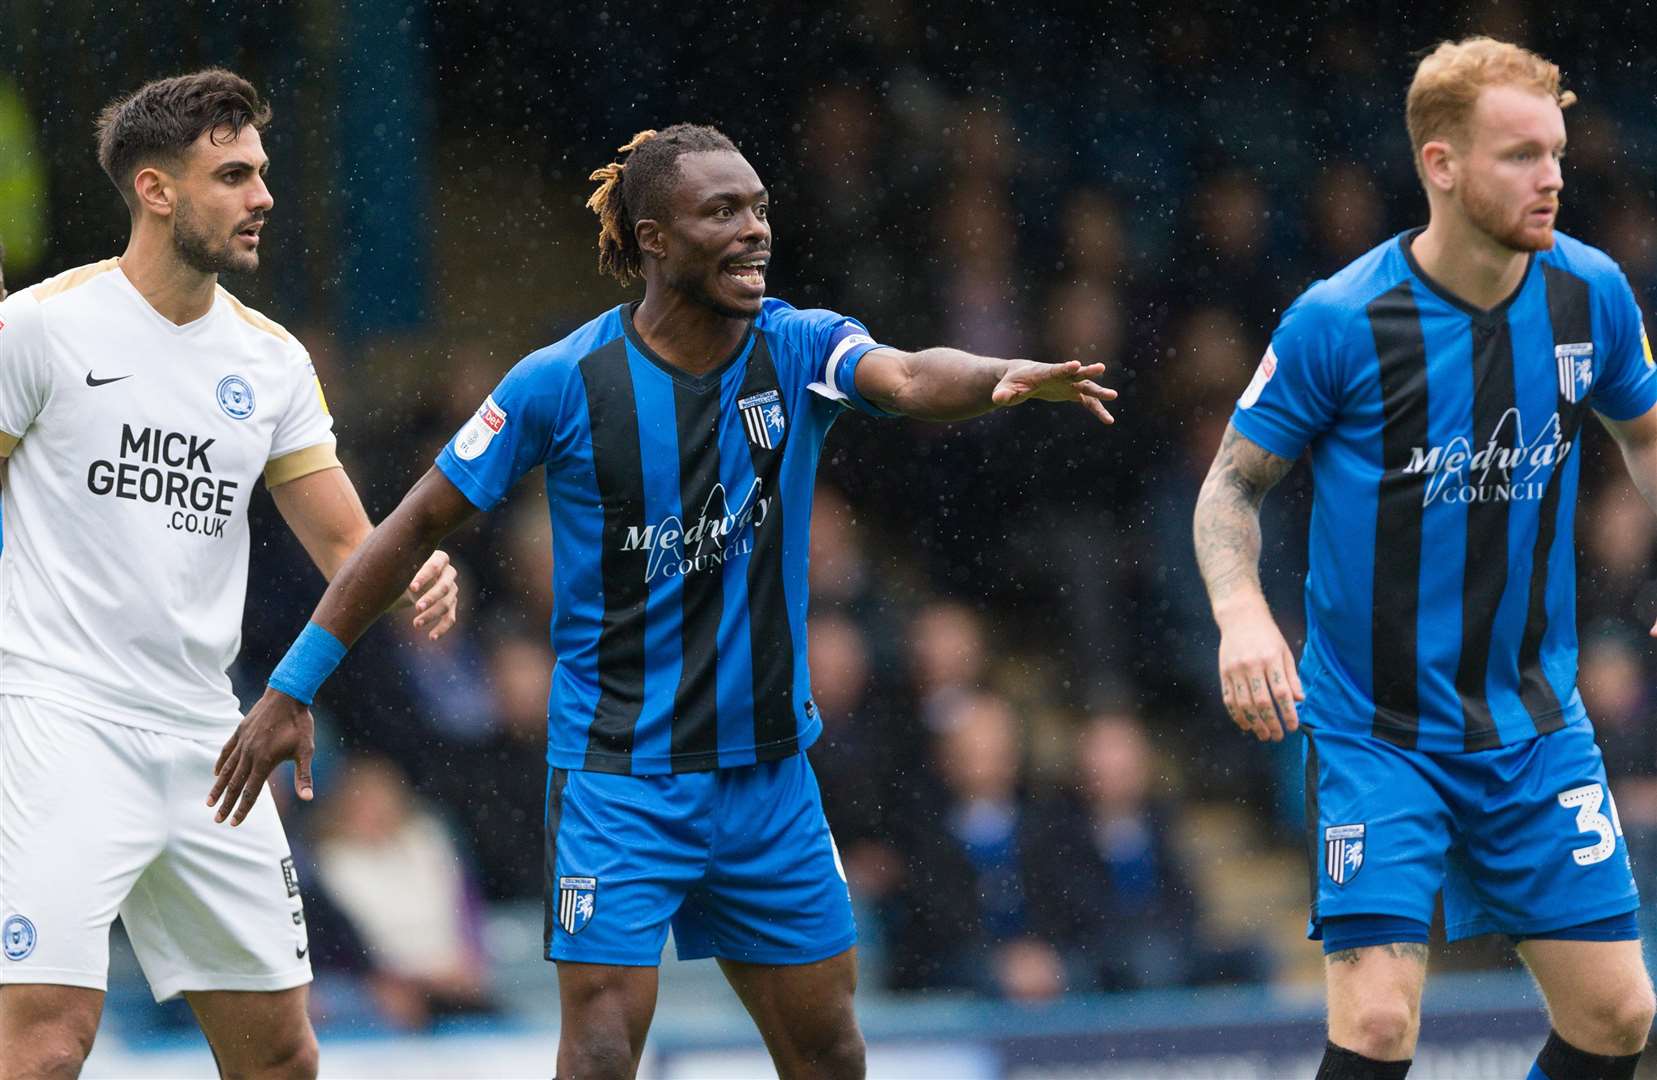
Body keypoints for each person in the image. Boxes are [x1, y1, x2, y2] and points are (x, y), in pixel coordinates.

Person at [208, 123, 1115, 1079]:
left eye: (759, 208)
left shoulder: (798, 345)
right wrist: (294, 684)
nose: (753, 230)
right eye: (721, 211)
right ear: (652, 238)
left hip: (768, 779)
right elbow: (409, 528)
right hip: (618, 778)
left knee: (829, 1051)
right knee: (599, 1048)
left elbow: (908, 373)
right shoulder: (562, 382)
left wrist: (994, 378)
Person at [1193, 38, 1657, 1080]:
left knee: (1619, 1018)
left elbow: (1645, 432)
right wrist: (1241, 614)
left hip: (1533, 721)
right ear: (1439, 164)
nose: (1550, 179)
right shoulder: (1338, 319)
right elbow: (1229, 486)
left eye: (1557, 154)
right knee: (1376, 1025)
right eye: (1518, 156)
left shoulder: (1591, 294)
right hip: (1376, 729)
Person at [0, 70, 460, 1079]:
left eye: (262, 174)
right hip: (57, 723)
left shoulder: (274, 361)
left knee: (282, 1058)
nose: (263, 198)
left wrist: (409, 568)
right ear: (157, 190)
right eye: (235, 176)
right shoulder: (39, 329)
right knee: (43, 1045)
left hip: (215, 744)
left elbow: (348, 545)